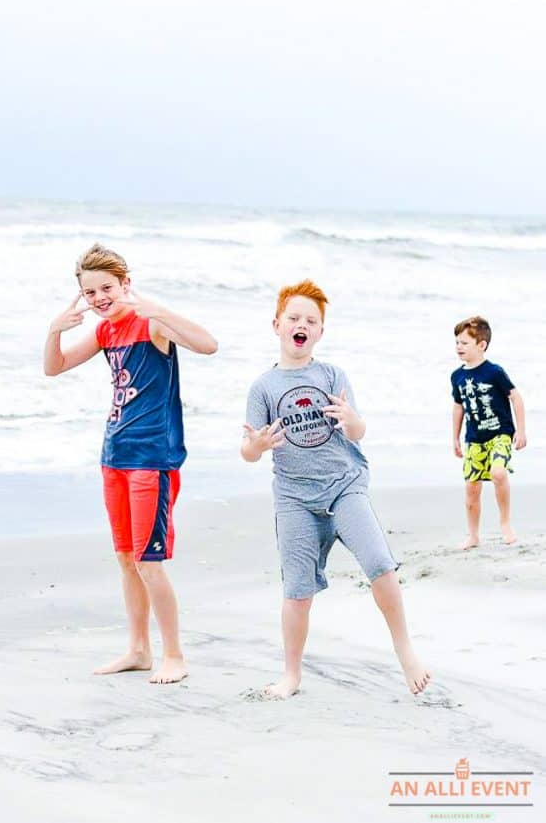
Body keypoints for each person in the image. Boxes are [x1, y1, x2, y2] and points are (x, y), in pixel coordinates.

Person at [241, 279, 430, 699]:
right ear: (277, 325)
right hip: (294, 497)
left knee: (379, 563)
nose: (301, 324)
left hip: (344, 486)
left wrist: (351, 418)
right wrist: (255, 445)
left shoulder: (332, 374)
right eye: (293, 317)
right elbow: (248, 451)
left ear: (320, 332)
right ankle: (291, 673)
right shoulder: (263, 388)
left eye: (311, 320)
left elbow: (358, 430)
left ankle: (405, 652)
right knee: (297, 591)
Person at [44, 244, 217, 684]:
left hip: (152, 459)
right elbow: (55, 367)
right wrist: (54, 330)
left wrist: (157, 309)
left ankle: (174, 655)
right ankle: (138, 650)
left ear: (125, 283)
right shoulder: (106, 332)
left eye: (107, 288)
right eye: (90, 292)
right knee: (125, 558)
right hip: (114, 456)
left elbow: (208, 345)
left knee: (148, 560)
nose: (100, 297)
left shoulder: (151, 323)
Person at [451, 315, 527, 549]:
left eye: (464, 343)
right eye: (456, 342)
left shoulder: (494, 372)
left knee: (498, 473)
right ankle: (473, 535)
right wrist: (454, 437)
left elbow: (515, 396)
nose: (458, 347)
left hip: (500, 434)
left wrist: (521, 431)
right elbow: (458, 406)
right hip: (474, 439)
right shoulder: (457, 376)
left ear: (481, 345)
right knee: (472, 488)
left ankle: (505, 523)